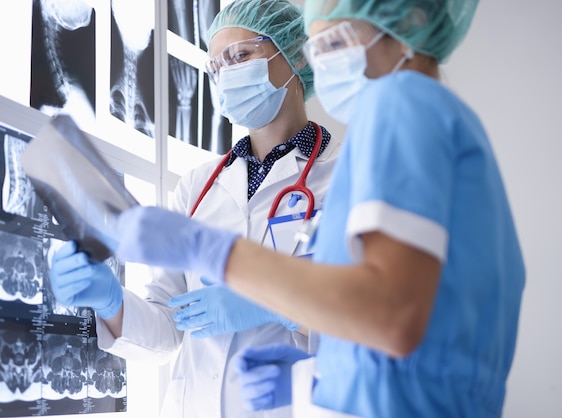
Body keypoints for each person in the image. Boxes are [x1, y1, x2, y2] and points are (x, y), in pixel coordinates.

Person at [109, 0, 526, 417]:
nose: (323, 60)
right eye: (318, 46)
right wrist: (317, 378)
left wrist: (212, 251)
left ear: (410, 22)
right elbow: (424, 324)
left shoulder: (401, 102)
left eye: (335, 41)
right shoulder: (447, 119)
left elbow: (392, 314)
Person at [49, 1, 341, 417]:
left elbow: (367, 322)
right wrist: (111, 300)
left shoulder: (342, 179)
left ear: (294, 54)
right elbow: (168, 327)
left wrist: (277, 304)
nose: (226, 75)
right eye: (216, 68)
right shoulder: (198, 186)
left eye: (240, 56)